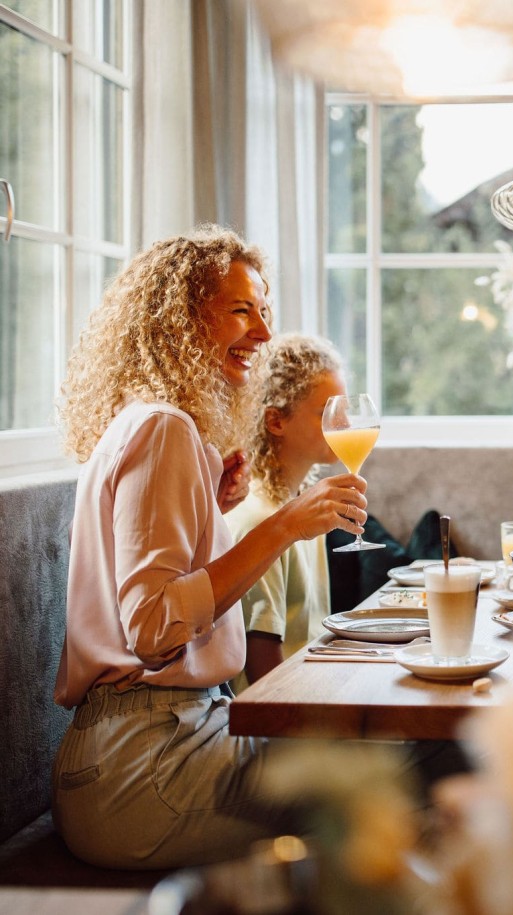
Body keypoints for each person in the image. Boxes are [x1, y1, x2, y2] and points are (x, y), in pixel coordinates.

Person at [52, 226, 373, 869]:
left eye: (264, 310)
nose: (262, 331)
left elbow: (152, 587)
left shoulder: (153, 424)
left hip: (146, 748)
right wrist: (281, 527)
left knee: (381, 765)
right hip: (146, 768)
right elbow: (152, 630)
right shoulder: (163, 428)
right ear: (180, 318)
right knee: (392, 780)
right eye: (240, 310)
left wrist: (212, 510)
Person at [227, 333, 346, 691]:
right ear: (276, 421)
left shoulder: (303, 509)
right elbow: (265, 670)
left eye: (345, 410)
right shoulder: (260, 521)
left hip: (313, 693)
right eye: (328, 413)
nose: (344, 426)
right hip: (277, 726)